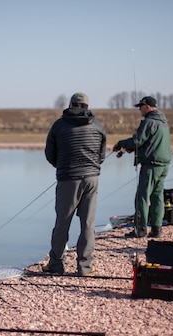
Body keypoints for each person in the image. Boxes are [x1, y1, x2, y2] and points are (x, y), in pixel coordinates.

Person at [43, 92, 106, 276]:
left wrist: (63, 167)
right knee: (88, 224)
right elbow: (101, 156)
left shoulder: (59, 125)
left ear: (71, 104)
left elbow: (49, 153)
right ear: (87, 106)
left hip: (68, 179)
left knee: (63, 222)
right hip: (92, 178)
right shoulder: (98, 126)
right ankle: (85, 267)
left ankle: (56, 264)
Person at [112, 96, 171, 238]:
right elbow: (149, 142)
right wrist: (133, 149)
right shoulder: (163, 122)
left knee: (142, 197)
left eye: (141, 106)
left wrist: (120, 144)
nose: (139, 109)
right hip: (163, 165)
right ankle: (156, 229)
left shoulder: (149, 122)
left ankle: (140, 230)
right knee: (157, 196)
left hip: (151, 165)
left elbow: (137, 140)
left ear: (148, 107)